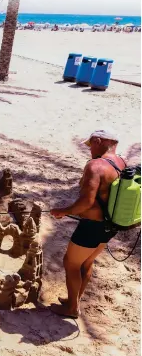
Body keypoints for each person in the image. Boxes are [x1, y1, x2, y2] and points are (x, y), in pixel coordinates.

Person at [50, 129, 126, 319]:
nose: (89, 150)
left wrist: (63, 211)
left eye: (90, 145)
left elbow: (86, 202)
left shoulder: (96, 166)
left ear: (98, 141)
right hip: (110, 226)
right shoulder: (121, 163)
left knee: (71, 263)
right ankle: (74, 300)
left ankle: (72, 309)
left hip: (91, 227)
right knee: (87, 262)